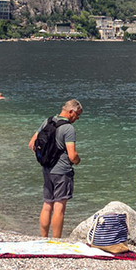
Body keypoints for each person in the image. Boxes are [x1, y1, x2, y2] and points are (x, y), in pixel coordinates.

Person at [27, 99, 82, 238]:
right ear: (71, 112)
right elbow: (72, 154)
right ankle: (57, 240)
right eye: (77, 115)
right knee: (59, 206)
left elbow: (31, 144)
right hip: (62, 171)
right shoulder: (68, 128)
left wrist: (45, 158)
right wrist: (77, 161)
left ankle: (43, 238)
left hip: (46, 169)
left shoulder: (48, 121)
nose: (77, 118)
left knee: (47, 204)